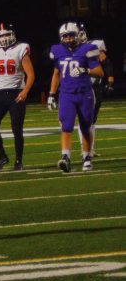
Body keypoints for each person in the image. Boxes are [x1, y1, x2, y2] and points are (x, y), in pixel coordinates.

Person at [0, 23, 35, 171]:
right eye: (1, 36)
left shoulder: (21, 48)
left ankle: (18, 161)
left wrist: (25, 91)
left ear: (13, 34)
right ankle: (2, 156)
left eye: (6, 34)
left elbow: (31, 74)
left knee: (17, 129)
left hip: (16, 93)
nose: (4, 38)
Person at [47, 22, 103, 172]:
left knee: (85, 127)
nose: (68, 39)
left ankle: (87, 157)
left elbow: (99, 72)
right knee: (66, 127)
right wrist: (51, 94)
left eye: (71, 35)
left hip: (85, 94)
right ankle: (65, 157)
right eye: (65, 36)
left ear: (77, 35)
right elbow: (56, 74)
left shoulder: (87, 49)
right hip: (66, 94)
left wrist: (84, 69)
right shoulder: (57, 51)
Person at [78, 25, 114, 157]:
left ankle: (90, 148)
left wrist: (110, 81)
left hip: (95, 86)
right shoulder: (69, 49)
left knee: (93, 119)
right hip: (81, 87)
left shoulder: (95, 45)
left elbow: (106, 63)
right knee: (84, 118)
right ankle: (85, 148)